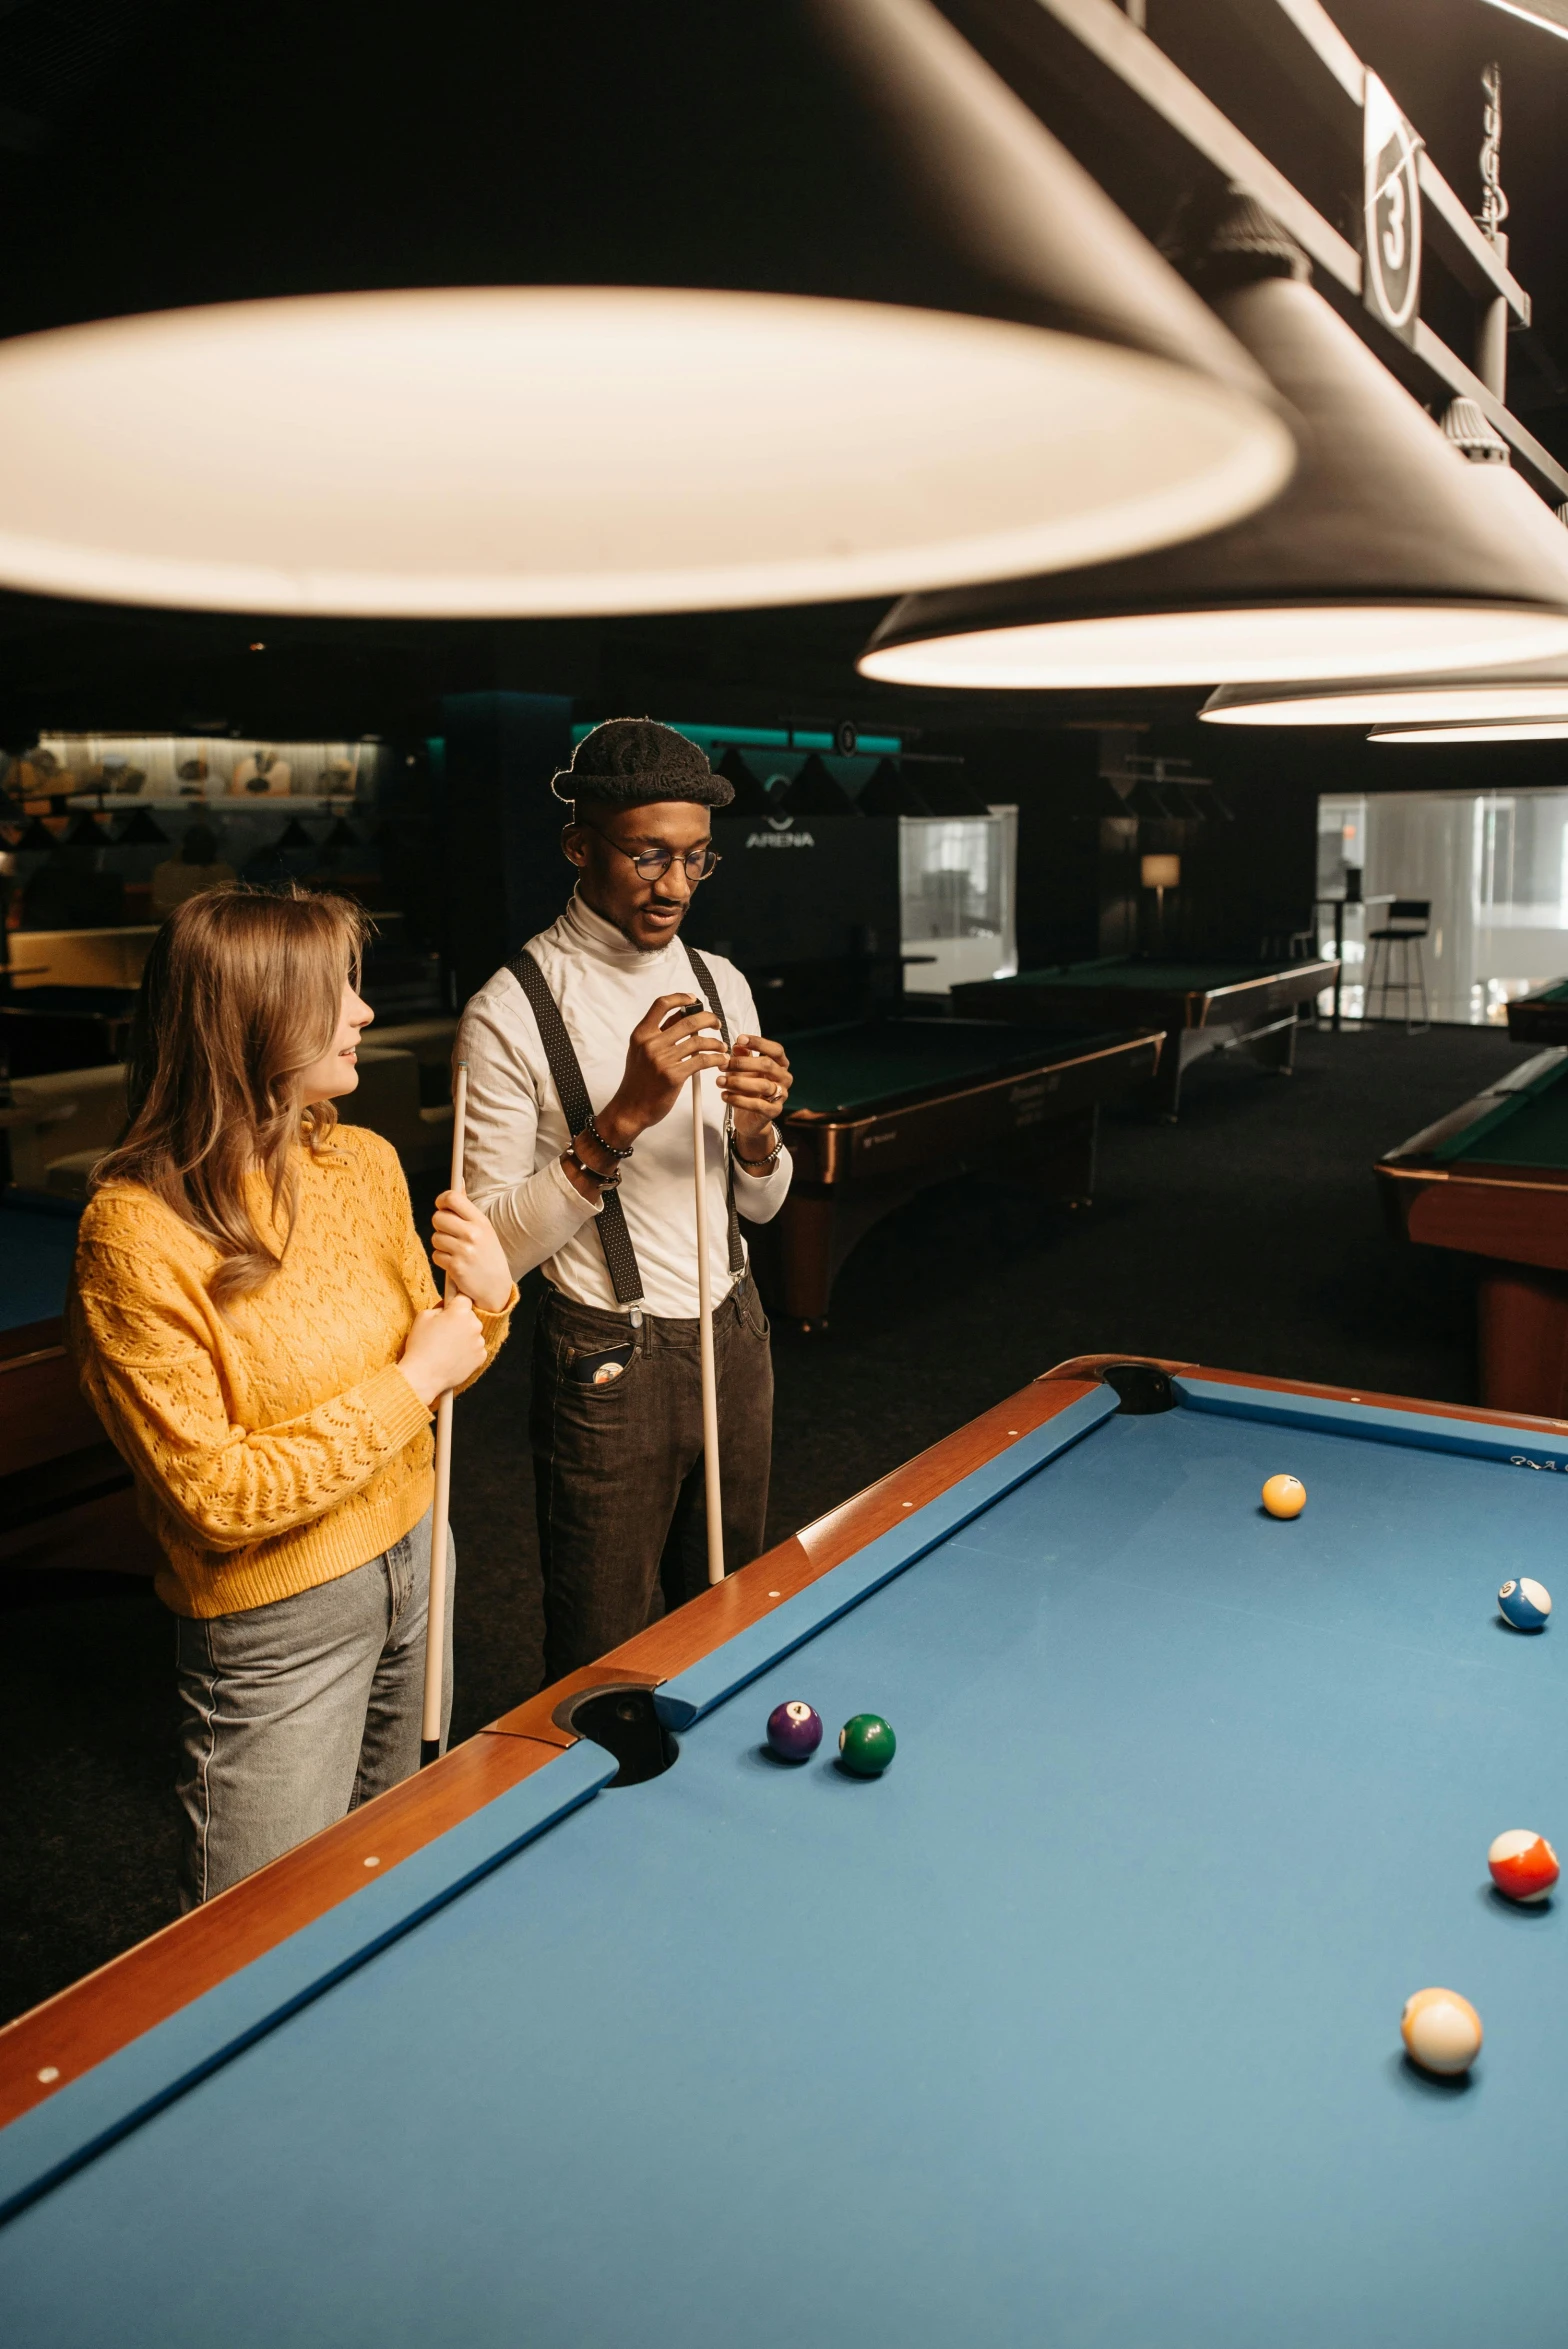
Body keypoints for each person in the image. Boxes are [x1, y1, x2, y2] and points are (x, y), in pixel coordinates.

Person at [68, 885, 516, 1905]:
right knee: (254, 1927)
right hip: (277, 1617)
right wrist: (419, 1376)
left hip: (419, 1549)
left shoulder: (360, 1160)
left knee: (387, 1867)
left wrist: (486, 1307)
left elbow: (441, 1365)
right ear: (254, 1017)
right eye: (339, 991)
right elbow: (216, 1498)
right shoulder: (130, 1233)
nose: (363, 1011)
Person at [458, 718, 793, 1678]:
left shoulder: (720, 980)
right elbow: (490, 1252)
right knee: (601, 1653)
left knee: (735, 1616)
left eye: (695, 859)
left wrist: (761, 1138)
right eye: (649, 855)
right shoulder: (510, 1008)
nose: (676, 887)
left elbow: (762, 1209)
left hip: (738, 1335)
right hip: (608, 1357)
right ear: (579, 846)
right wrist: (620, 1121)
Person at [150, 821, 237, 917]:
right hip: (177, 922)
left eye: (205, 844)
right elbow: (164, 905)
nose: (200, 848)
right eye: (196, 843)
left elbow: (224, 906)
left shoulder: (223, 872)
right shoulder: (166, 871)